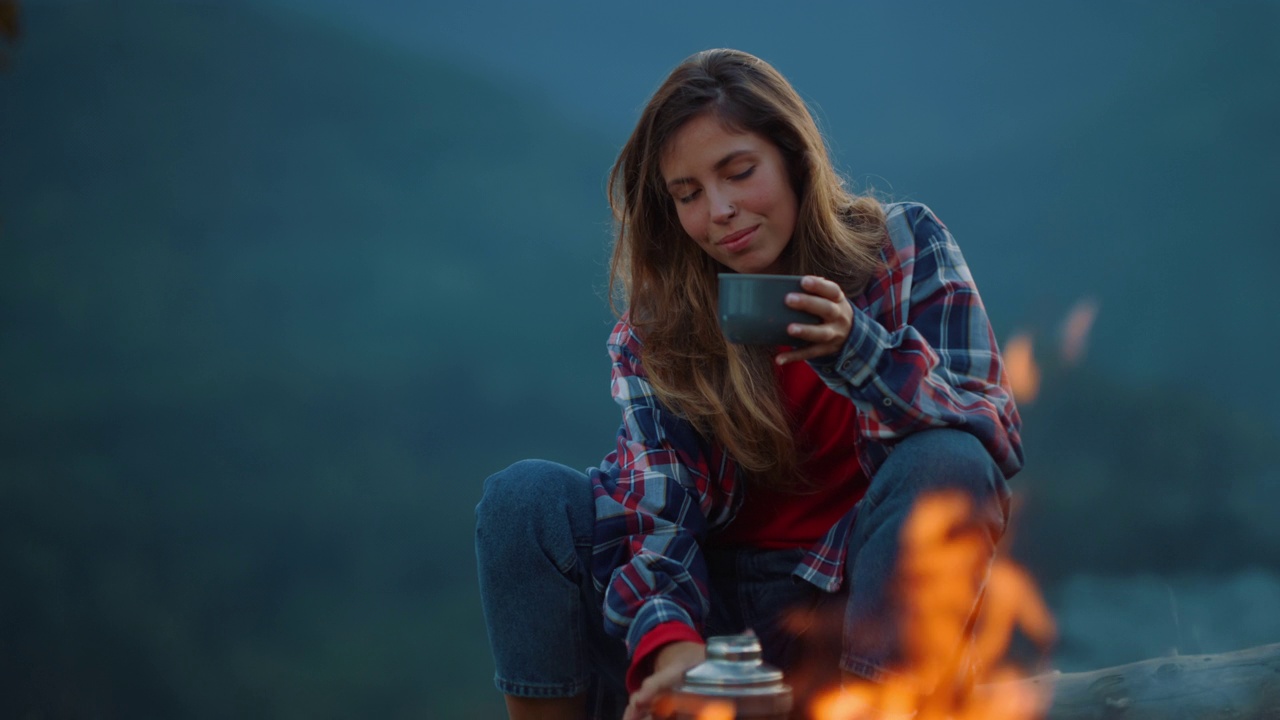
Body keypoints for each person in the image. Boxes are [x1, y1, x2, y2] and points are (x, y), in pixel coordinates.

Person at [475, 48, 1022, 720]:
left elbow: (987, 428)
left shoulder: (903, 248)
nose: (721, 212)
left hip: (860, 613)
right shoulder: (661, 324)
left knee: (947, 458)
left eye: (739, 173)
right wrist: (672, 648)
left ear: (793, 158)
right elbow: (656, 507)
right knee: (523, 497)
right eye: (689, 195)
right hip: (715, 623)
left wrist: (859, 351)